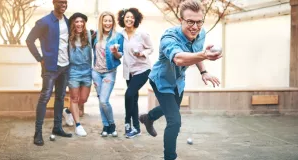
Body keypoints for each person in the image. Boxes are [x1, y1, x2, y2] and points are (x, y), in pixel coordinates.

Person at [138, 0, 222, 159]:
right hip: (161, 81)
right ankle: (170, 157)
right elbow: (178, 59)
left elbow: (195, 52)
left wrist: (204, 71)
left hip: (178, 81)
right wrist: (204, 55)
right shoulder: (169, 37)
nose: (195, 27)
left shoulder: (201, 33)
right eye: (190, 21)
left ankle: (147, 118)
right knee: (174, 121)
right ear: (181, 20)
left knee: (170, 109)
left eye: (199, 22)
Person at [26, 0, 72, 146]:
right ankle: (38, 133)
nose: (63, 4)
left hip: (65, 66)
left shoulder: (68, 21)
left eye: (65, 2)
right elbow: (29, 40)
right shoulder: (44, 22)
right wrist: (40, 59)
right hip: (51, 67)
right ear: (53, 3)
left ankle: (57, 128)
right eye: (60, 2)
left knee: (60, 97)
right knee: (45, 97)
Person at [117, 8, 153, 138]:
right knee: (133, 98)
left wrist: (142, 53)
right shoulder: (121, 35)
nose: (129, 19)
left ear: (136, 19)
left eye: (132, 17)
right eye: (127, 17)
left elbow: (151, 48)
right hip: (129, 72)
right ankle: (136, 129)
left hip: (143, 69)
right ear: (123, 19)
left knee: (129, 95)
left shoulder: (142, 34)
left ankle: (127, 123)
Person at [60, 12, 93, 136]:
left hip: (87, 71)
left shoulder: (89, 35)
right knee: (74, 98)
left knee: (83, 99)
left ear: (84, 23)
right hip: (73, 71)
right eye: (76, 21)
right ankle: (78, 125)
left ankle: (67, 111)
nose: (79, 24)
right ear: (73, 23)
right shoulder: (69, 37)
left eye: (81, 22)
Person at [92, 11, 124, 137]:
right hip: (95, 72)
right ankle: (105, 126)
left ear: (113, 22)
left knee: (104, 100)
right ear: (101, 22)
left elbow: (121, 55)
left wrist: (116, 52)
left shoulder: (117, 36)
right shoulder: (95, 35)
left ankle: (112, 124)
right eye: (105, 20)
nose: (108, 23)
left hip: (109, 72)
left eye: (110, 20)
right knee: (101, 100)